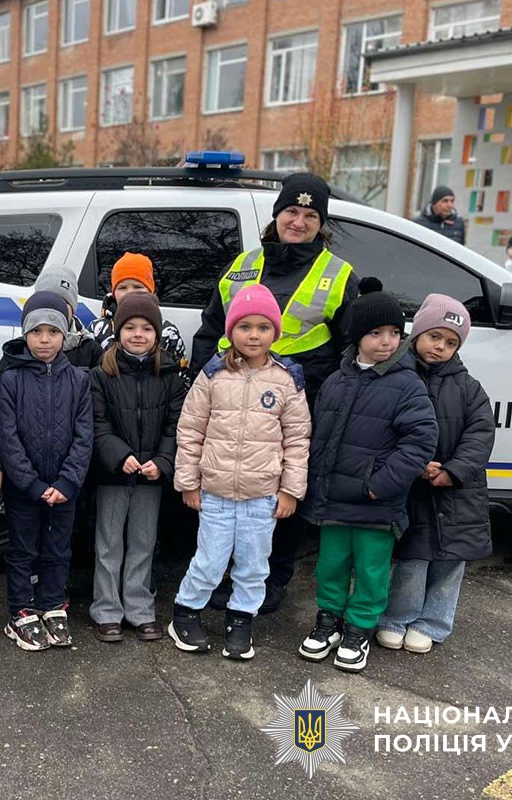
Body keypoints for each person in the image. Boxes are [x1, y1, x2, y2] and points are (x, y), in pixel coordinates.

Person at [189, 173, 359, 614]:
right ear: (277, 214)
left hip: (300, 401)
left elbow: (349, 348)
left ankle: (270, 581)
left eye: (309, 215)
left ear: (320, 223)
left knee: (281, 495)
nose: (298, 222)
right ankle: (224, 578)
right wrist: (202, 382)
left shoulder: (338, 275)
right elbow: (211, 328)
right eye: (291, 212)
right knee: (228, 494)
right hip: (233, 397)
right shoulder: (243, 264)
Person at [297, 289, 438, 673]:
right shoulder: (336, 380)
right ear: (357, 337)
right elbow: (318, 435)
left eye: (394, 332)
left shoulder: (407, 384)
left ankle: (359, 628)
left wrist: (380, 484)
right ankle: (329, 621)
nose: (387, 341)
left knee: (372, 571)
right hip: (333, 500)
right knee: (331, 566)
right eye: (376, 332)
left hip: (376, 503)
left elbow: (421, 440)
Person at [170, 285, 311, 659]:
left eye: (263, 327)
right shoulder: (213, 375)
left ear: (275, 333)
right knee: (210, 561)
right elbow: (190, 429)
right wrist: (188, 481)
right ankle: (185, 614)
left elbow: (298, 439)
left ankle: (240, 621)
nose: (253, 335)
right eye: (244, 326)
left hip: (262, 495)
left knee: (253, 565)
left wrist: (290, 490)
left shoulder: (286, 380)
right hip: (214, 492)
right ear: (230, 330)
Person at [378, 295, 494, 654]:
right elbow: (384, 427)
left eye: (450, 342)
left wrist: (455, 470)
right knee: (412, 559)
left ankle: (432, 623)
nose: (440, 347)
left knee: (449, 564)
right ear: (418, 334)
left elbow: (481, 432)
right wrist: (415, 464)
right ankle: (396, 618)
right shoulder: (398, 377)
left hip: (458, 493)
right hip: (413, 487)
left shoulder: (468, 387)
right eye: (435, 337)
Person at [0, 291, 93, 651]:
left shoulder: (79, 380)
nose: (44, 340)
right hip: (26, 488)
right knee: (22, 549)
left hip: (64, 487)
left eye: (53, 332)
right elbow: (8, 437)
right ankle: (21, 610)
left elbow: (85, 435)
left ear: (64, 335)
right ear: (25, 334)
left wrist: (67, 480)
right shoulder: (12, 379)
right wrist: (32, 483)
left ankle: (53, 604)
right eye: (36, 332)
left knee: (58, 549)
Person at [88, 293, 187, 643]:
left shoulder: (171, 374)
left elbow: (176, 425)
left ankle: (139, 608)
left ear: (157, 333)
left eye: (147, 328)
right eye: (130, 327)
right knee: (109, 543)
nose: (138, 334)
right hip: (113, 473)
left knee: (144, 542)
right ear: (118, 331)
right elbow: (97, 423)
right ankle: (106, 609)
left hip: (151, 476)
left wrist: (162, 462)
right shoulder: (101, 373)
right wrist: (119, 456)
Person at [87, 252, 188, 378]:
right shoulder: (97, 330)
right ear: (113, 293)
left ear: (150, 290)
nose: (130, 293)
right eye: (122, 288)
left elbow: (181, 375)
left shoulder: (167, 332)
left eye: (138, 287)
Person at [4, 263, 101, 372]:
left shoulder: (91, 350)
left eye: (62, 302)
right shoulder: (17, 351)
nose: (55, 307)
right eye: (36, 331)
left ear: (73, 307)